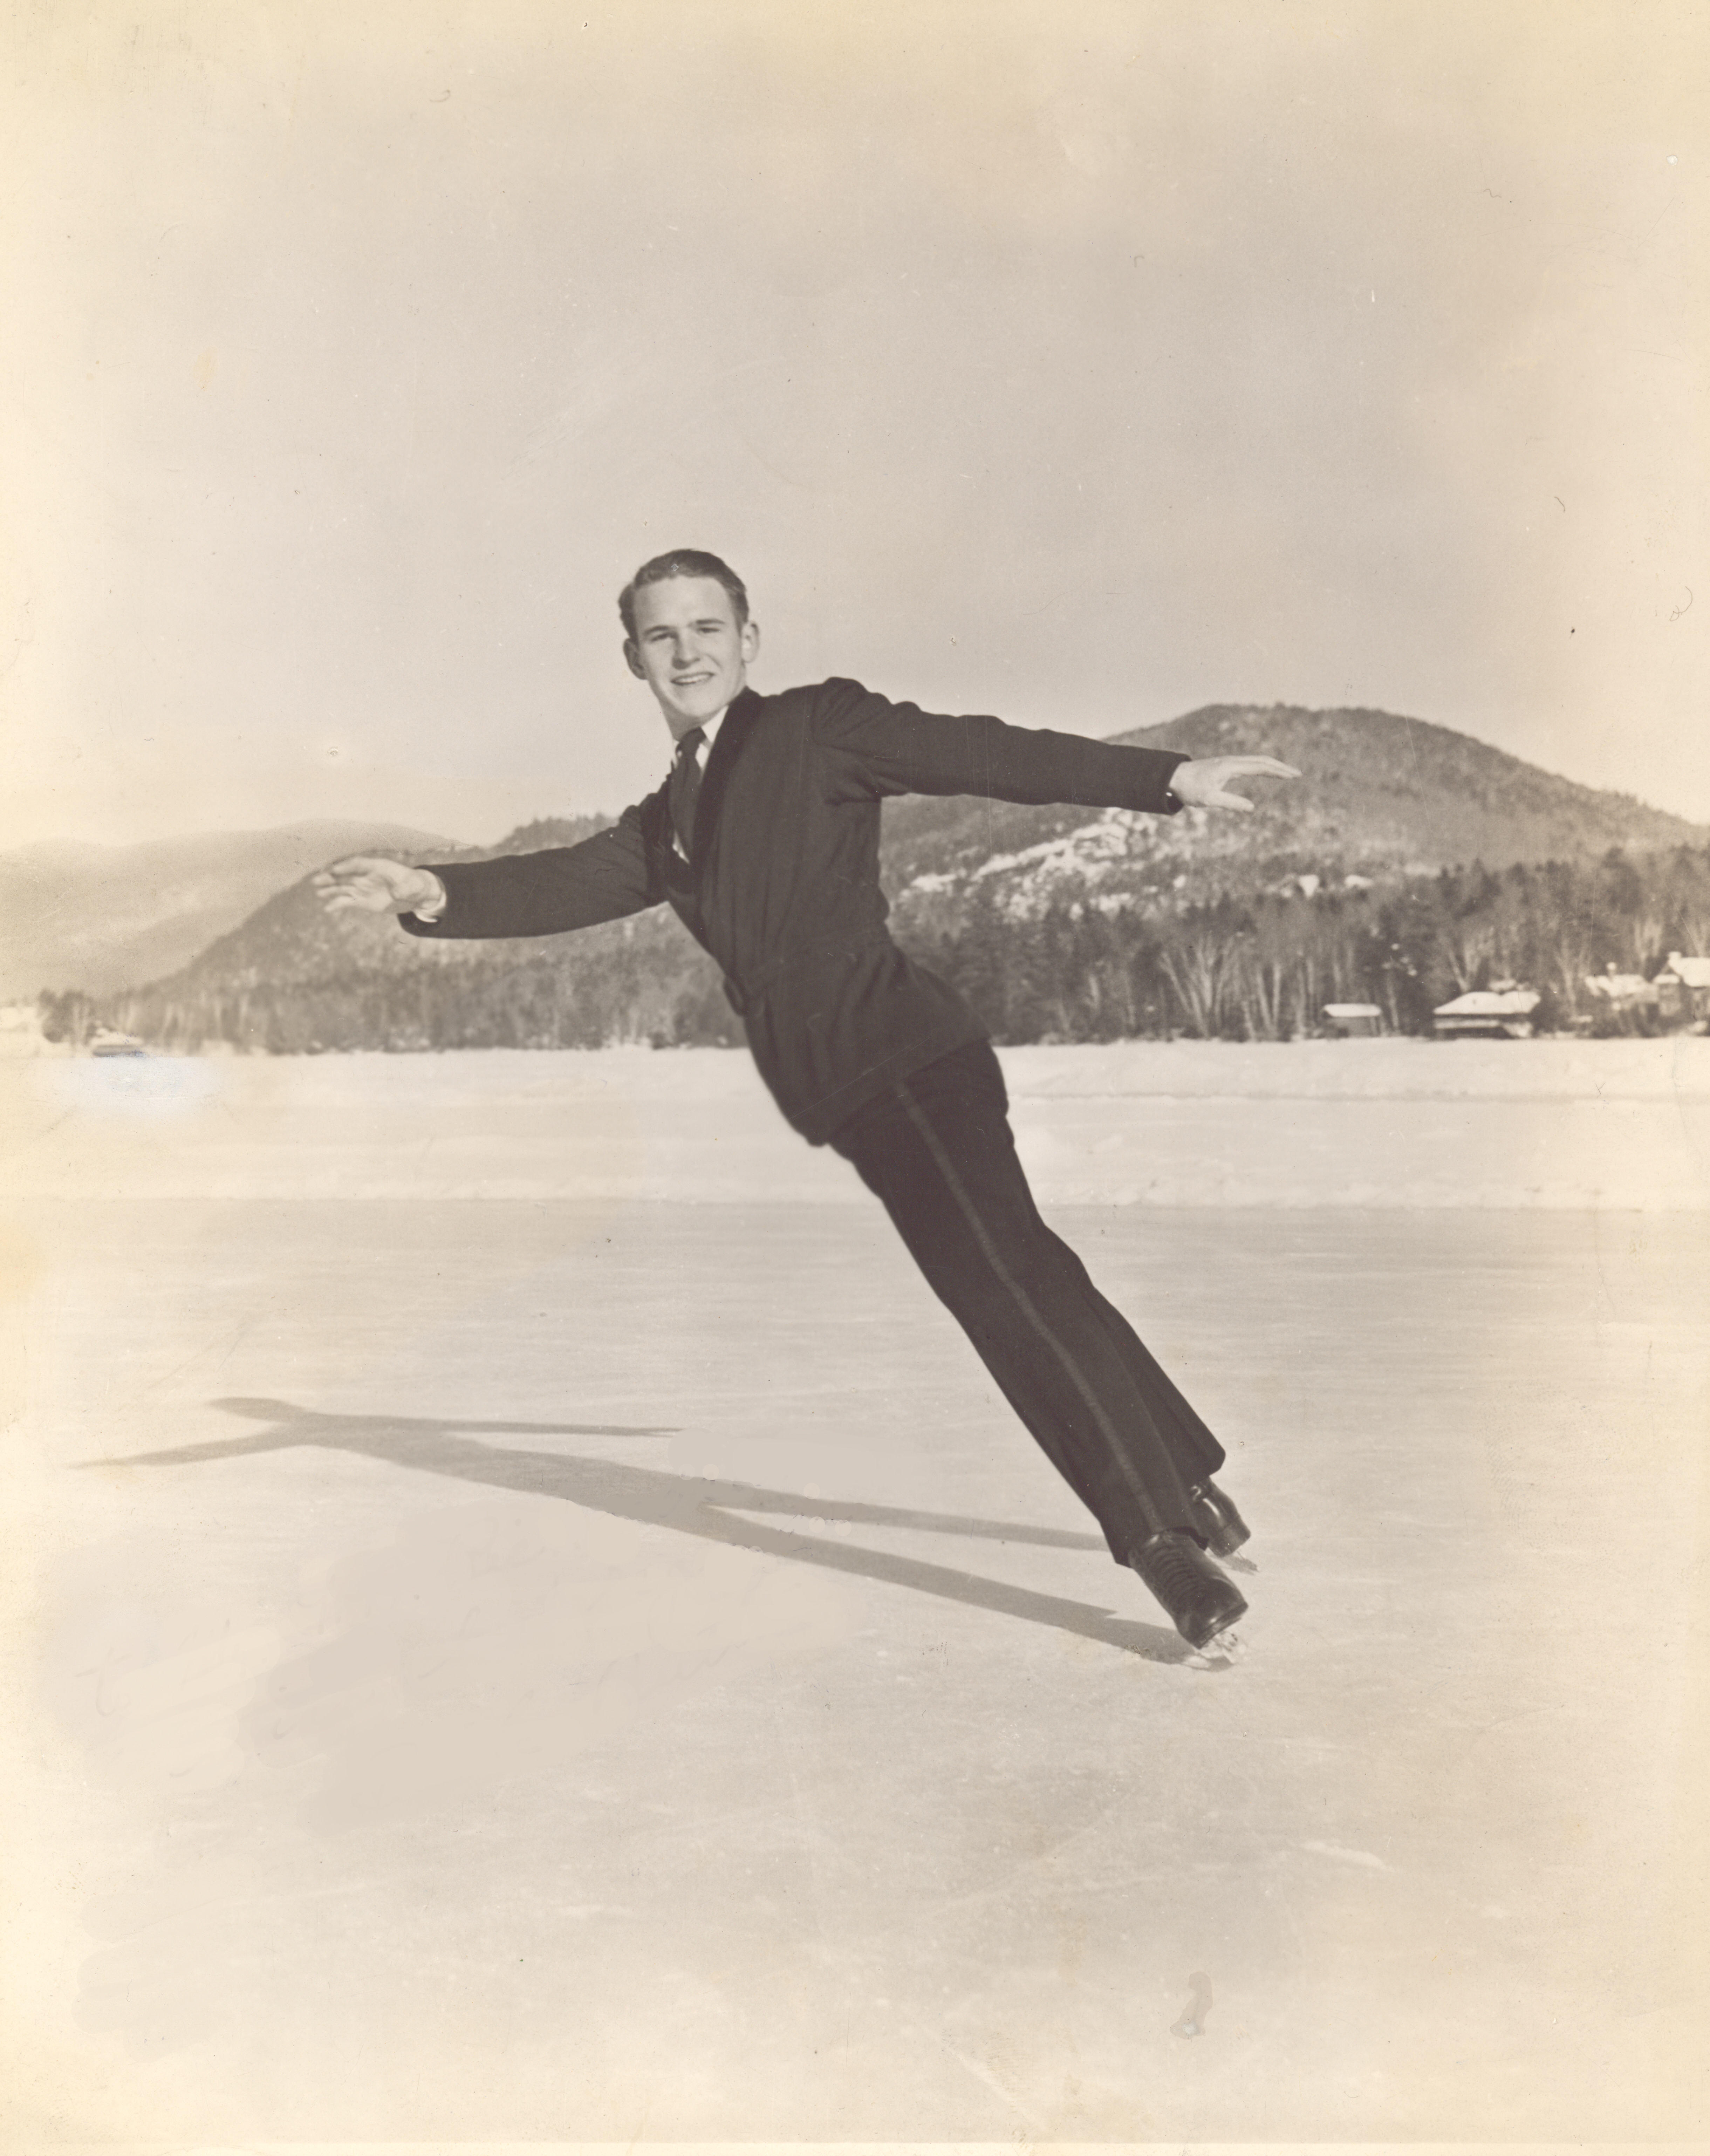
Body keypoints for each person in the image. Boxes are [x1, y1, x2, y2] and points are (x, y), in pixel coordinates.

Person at [316, 549, 1298, 1656]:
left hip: (908, 1055)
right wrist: (435, 892)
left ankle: (1159, 1536)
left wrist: (1162, 779)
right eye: (661, 636)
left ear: (749, 639)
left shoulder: (814, 729)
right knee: (1022, 1261)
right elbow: (571, 879)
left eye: (706, 628)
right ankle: (1193, 1479)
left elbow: (973, 751)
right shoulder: (675, 809)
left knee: (994, 1280)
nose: (687, 652)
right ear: (634, 658)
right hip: (849, 1089)